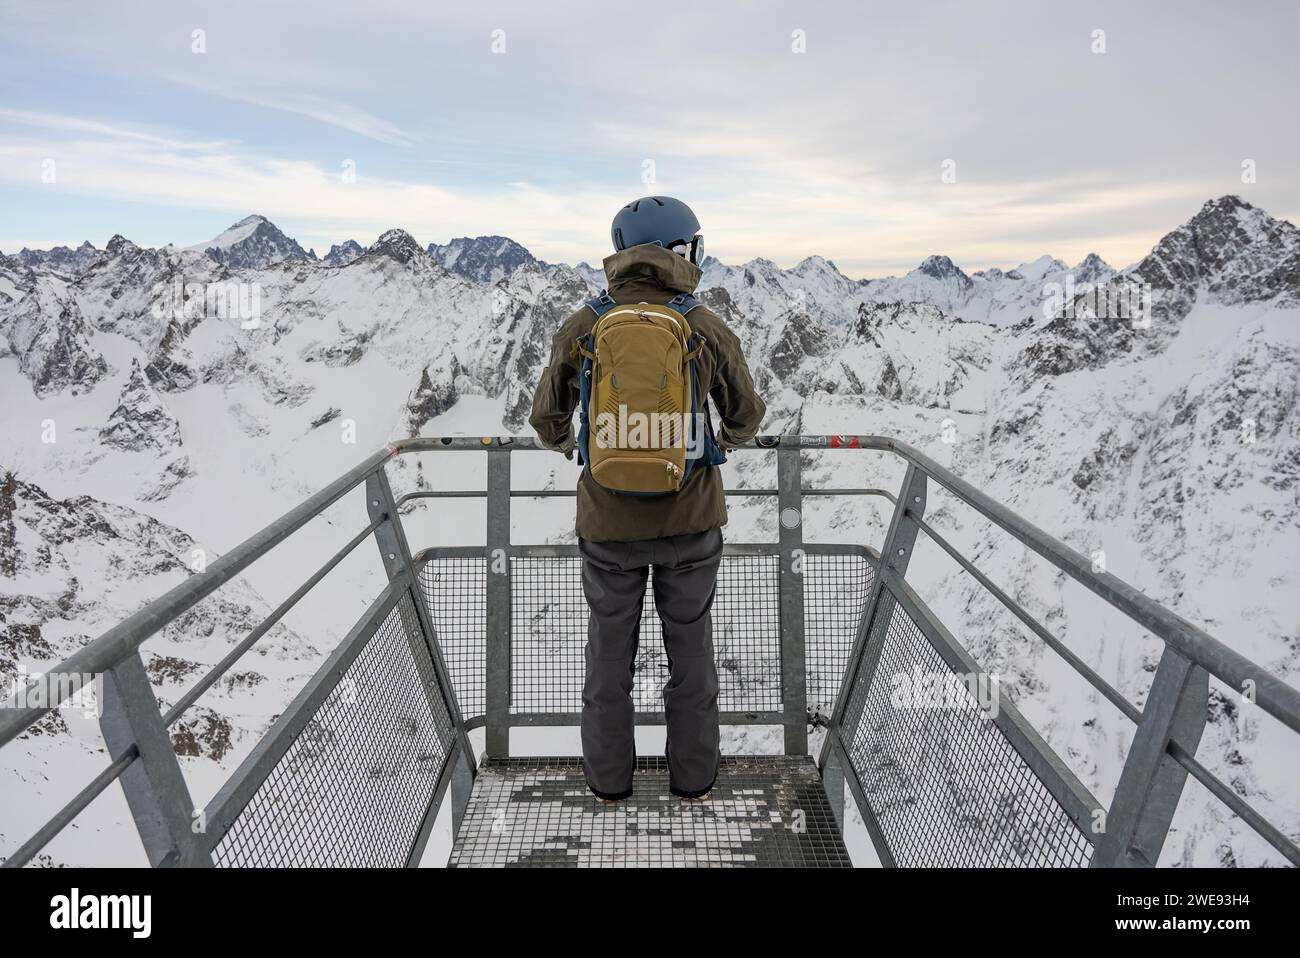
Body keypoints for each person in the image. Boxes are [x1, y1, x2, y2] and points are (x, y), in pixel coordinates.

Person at [528, 196, 766, 803]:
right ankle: (694, 780)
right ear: (682, 250)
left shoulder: (584, 324)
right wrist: (717, 444)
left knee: (609, 659)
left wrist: (578, 447)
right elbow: (745, 415)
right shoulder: (703, 324)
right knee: (691, 657)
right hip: (691, 521)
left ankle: (609, 784)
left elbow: (546, 417)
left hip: (606, 523)